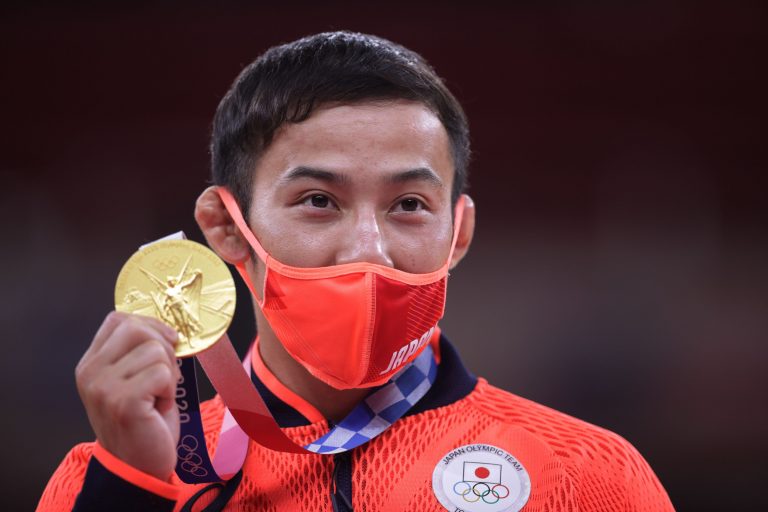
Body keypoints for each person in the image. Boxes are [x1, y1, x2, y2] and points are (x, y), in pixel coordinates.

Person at [37, 31, 674, 511]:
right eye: (319, 201)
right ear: (229, 229)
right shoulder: (109, 474)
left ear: (459, 233)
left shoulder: (592, 476)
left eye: (409, 206)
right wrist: (130, 490)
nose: (369, 248)